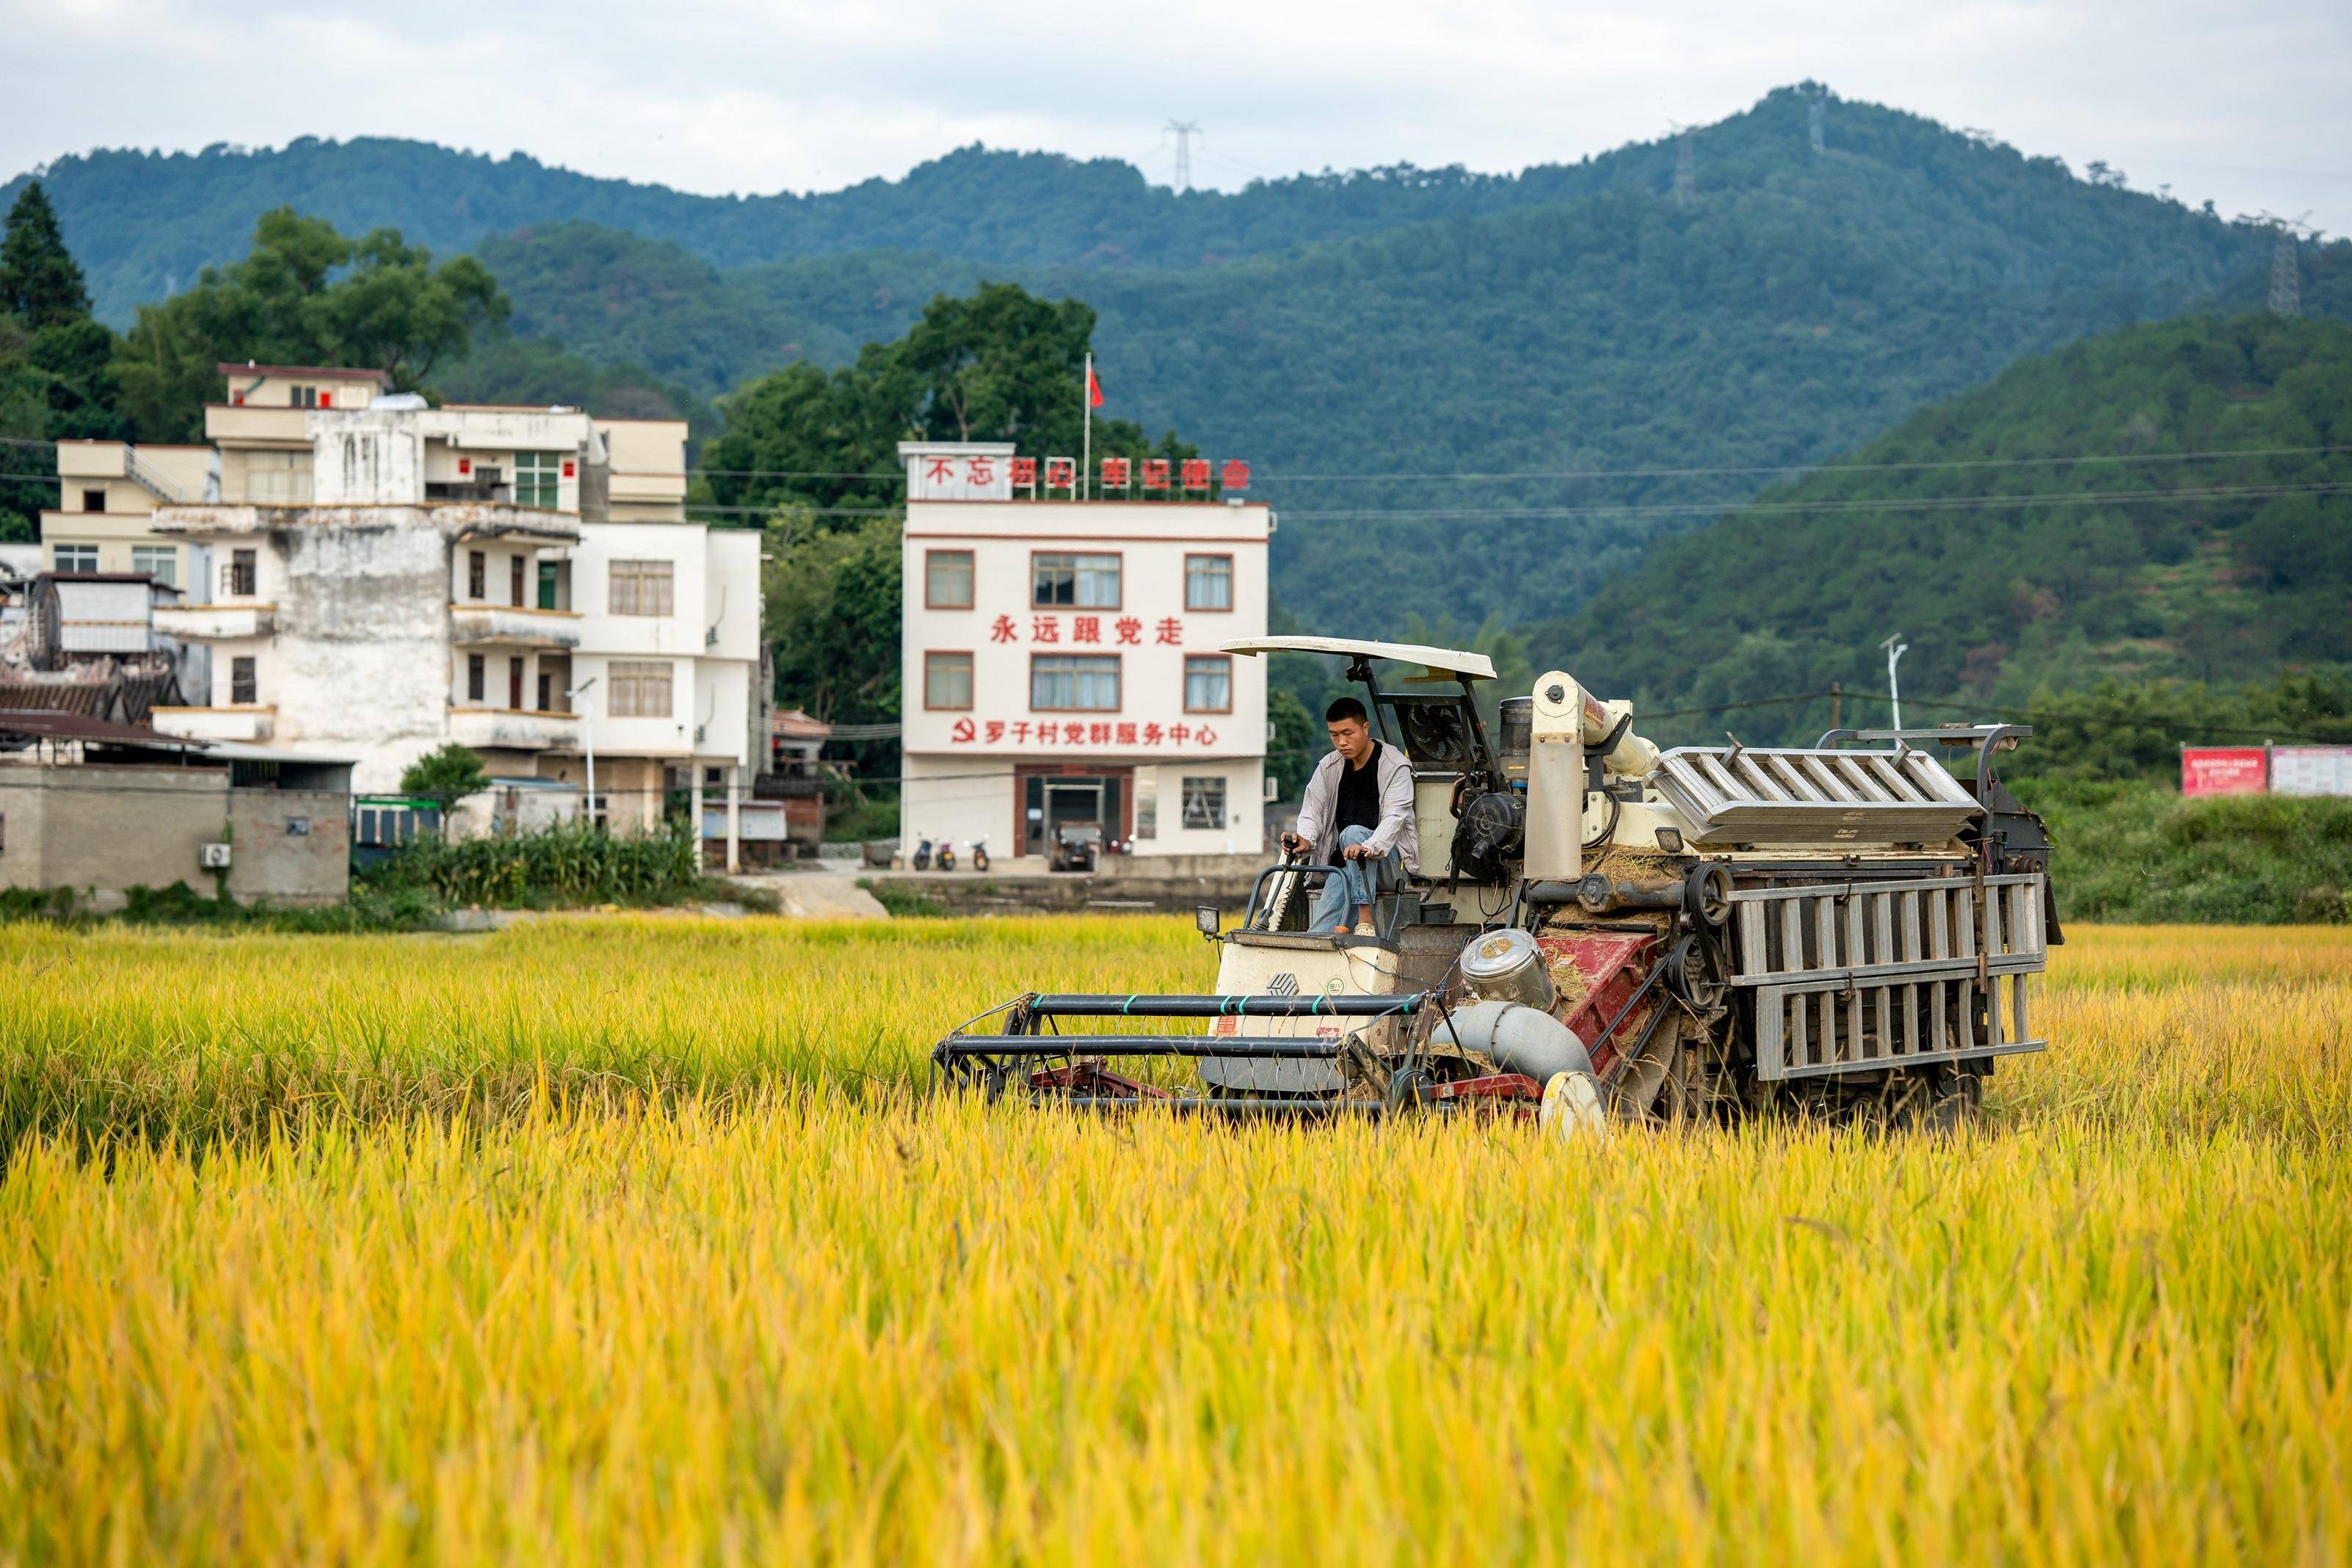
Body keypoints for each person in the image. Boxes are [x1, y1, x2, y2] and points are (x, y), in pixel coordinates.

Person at [1282, 697, 1418, 936]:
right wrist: (1304, 839)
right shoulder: (1329, 766)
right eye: (1334, 735)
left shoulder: (1394, 765)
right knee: (1320, 933)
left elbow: (1395, 818)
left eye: (1348, 733)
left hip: (1388, 864)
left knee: (1353, 833)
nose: (1341, 742)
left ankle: (1365, 918)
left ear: (1365, 728)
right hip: (1345, 866)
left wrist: (1369, 848)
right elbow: (1313, 809)